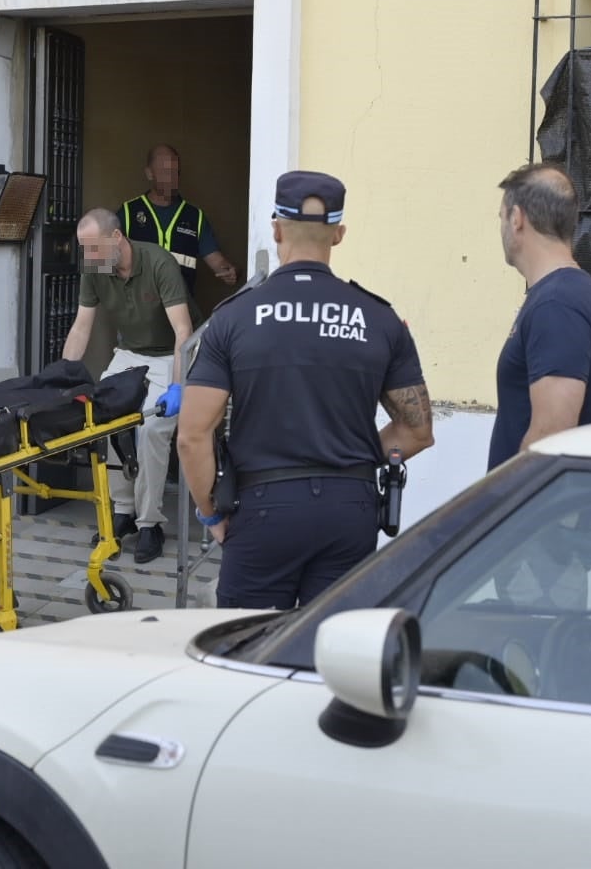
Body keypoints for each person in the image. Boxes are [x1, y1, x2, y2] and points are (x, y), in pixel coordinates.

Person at [177, 170, 435, 610]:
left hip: (261, 508)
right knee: (330, 653)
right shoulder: (379, 318)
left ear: (276, 229)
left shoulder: (233, 318)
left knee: (246, 652)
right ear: (339, 234)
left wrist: (212, 513)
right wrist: (348, 463)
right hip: (349, 510)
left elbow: (192, 435)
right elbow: (418, 430)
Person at [61, 207, 194, 564]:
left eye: (93, 248)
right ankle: (122, 511)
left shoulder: (158, 262)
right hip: (130, 354)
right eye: (83, 249)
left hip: (170, 355)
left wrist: (178, 387)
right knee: (101, 418)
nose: (87, 257)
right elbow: (81, 327)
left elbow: (183, 331)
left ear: (116, 238)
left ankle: (150, 522)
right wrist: (62, 376)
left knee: (150, 428)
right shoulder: (96, 268)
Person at [489, 162, 591, 470]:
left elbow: (552, 433)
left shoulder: (557, 304)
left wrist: (507, 507)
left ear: (517, 218)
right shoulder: (582, 292)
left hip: (543, 513)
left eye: (501, 216)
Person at [120, 144, 238, 295]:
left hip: (181, 310)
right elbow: (102, 264)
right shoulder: (128, 212)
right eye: (165, 172)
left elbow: (218, 262)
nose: (171, 178)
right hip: (140, 313)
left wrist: (232, 272)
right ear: (149, 173)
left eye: (175, 172)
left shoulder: (194, 217)